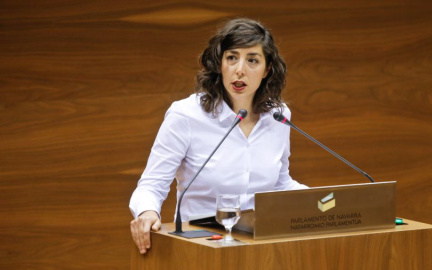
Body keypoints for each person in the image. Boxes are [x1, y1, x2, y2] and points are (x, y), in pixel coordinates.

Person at [129, 18, 308, 254]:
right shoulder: (186, 115)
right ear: (220, 63)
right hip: (200, 246)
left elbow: (280, 184)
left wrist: (323, 202)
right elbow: (152, 184)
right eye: (232, 58)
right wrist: (147, 212)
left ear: (267, 70)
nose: (240, 69)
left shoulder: (278, 116)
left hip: (260, 246)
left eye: (252, 60)